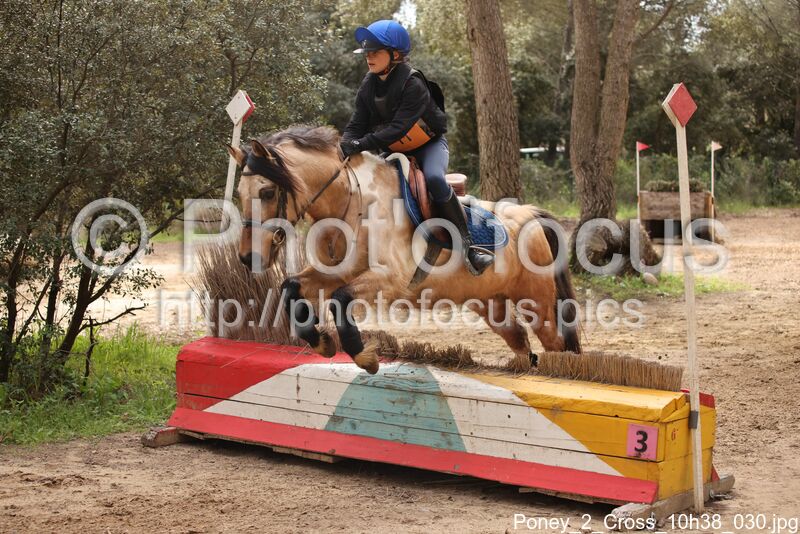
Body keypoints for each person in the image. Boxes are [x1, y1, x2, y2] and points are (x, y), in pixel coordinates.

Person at [340, 19, 494, 276]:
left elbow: (398, 128)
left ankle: (469, 248)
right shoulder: (369, 84)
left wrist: (361, 144)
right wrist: (344, 146)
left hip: (428, 146)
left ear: (395, 54)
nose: (368, 57)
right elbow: (357, 124)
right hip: (395, 149)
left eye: (375, 51)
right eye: (366, 52)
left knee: (434, 179)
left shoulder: (413, 83)